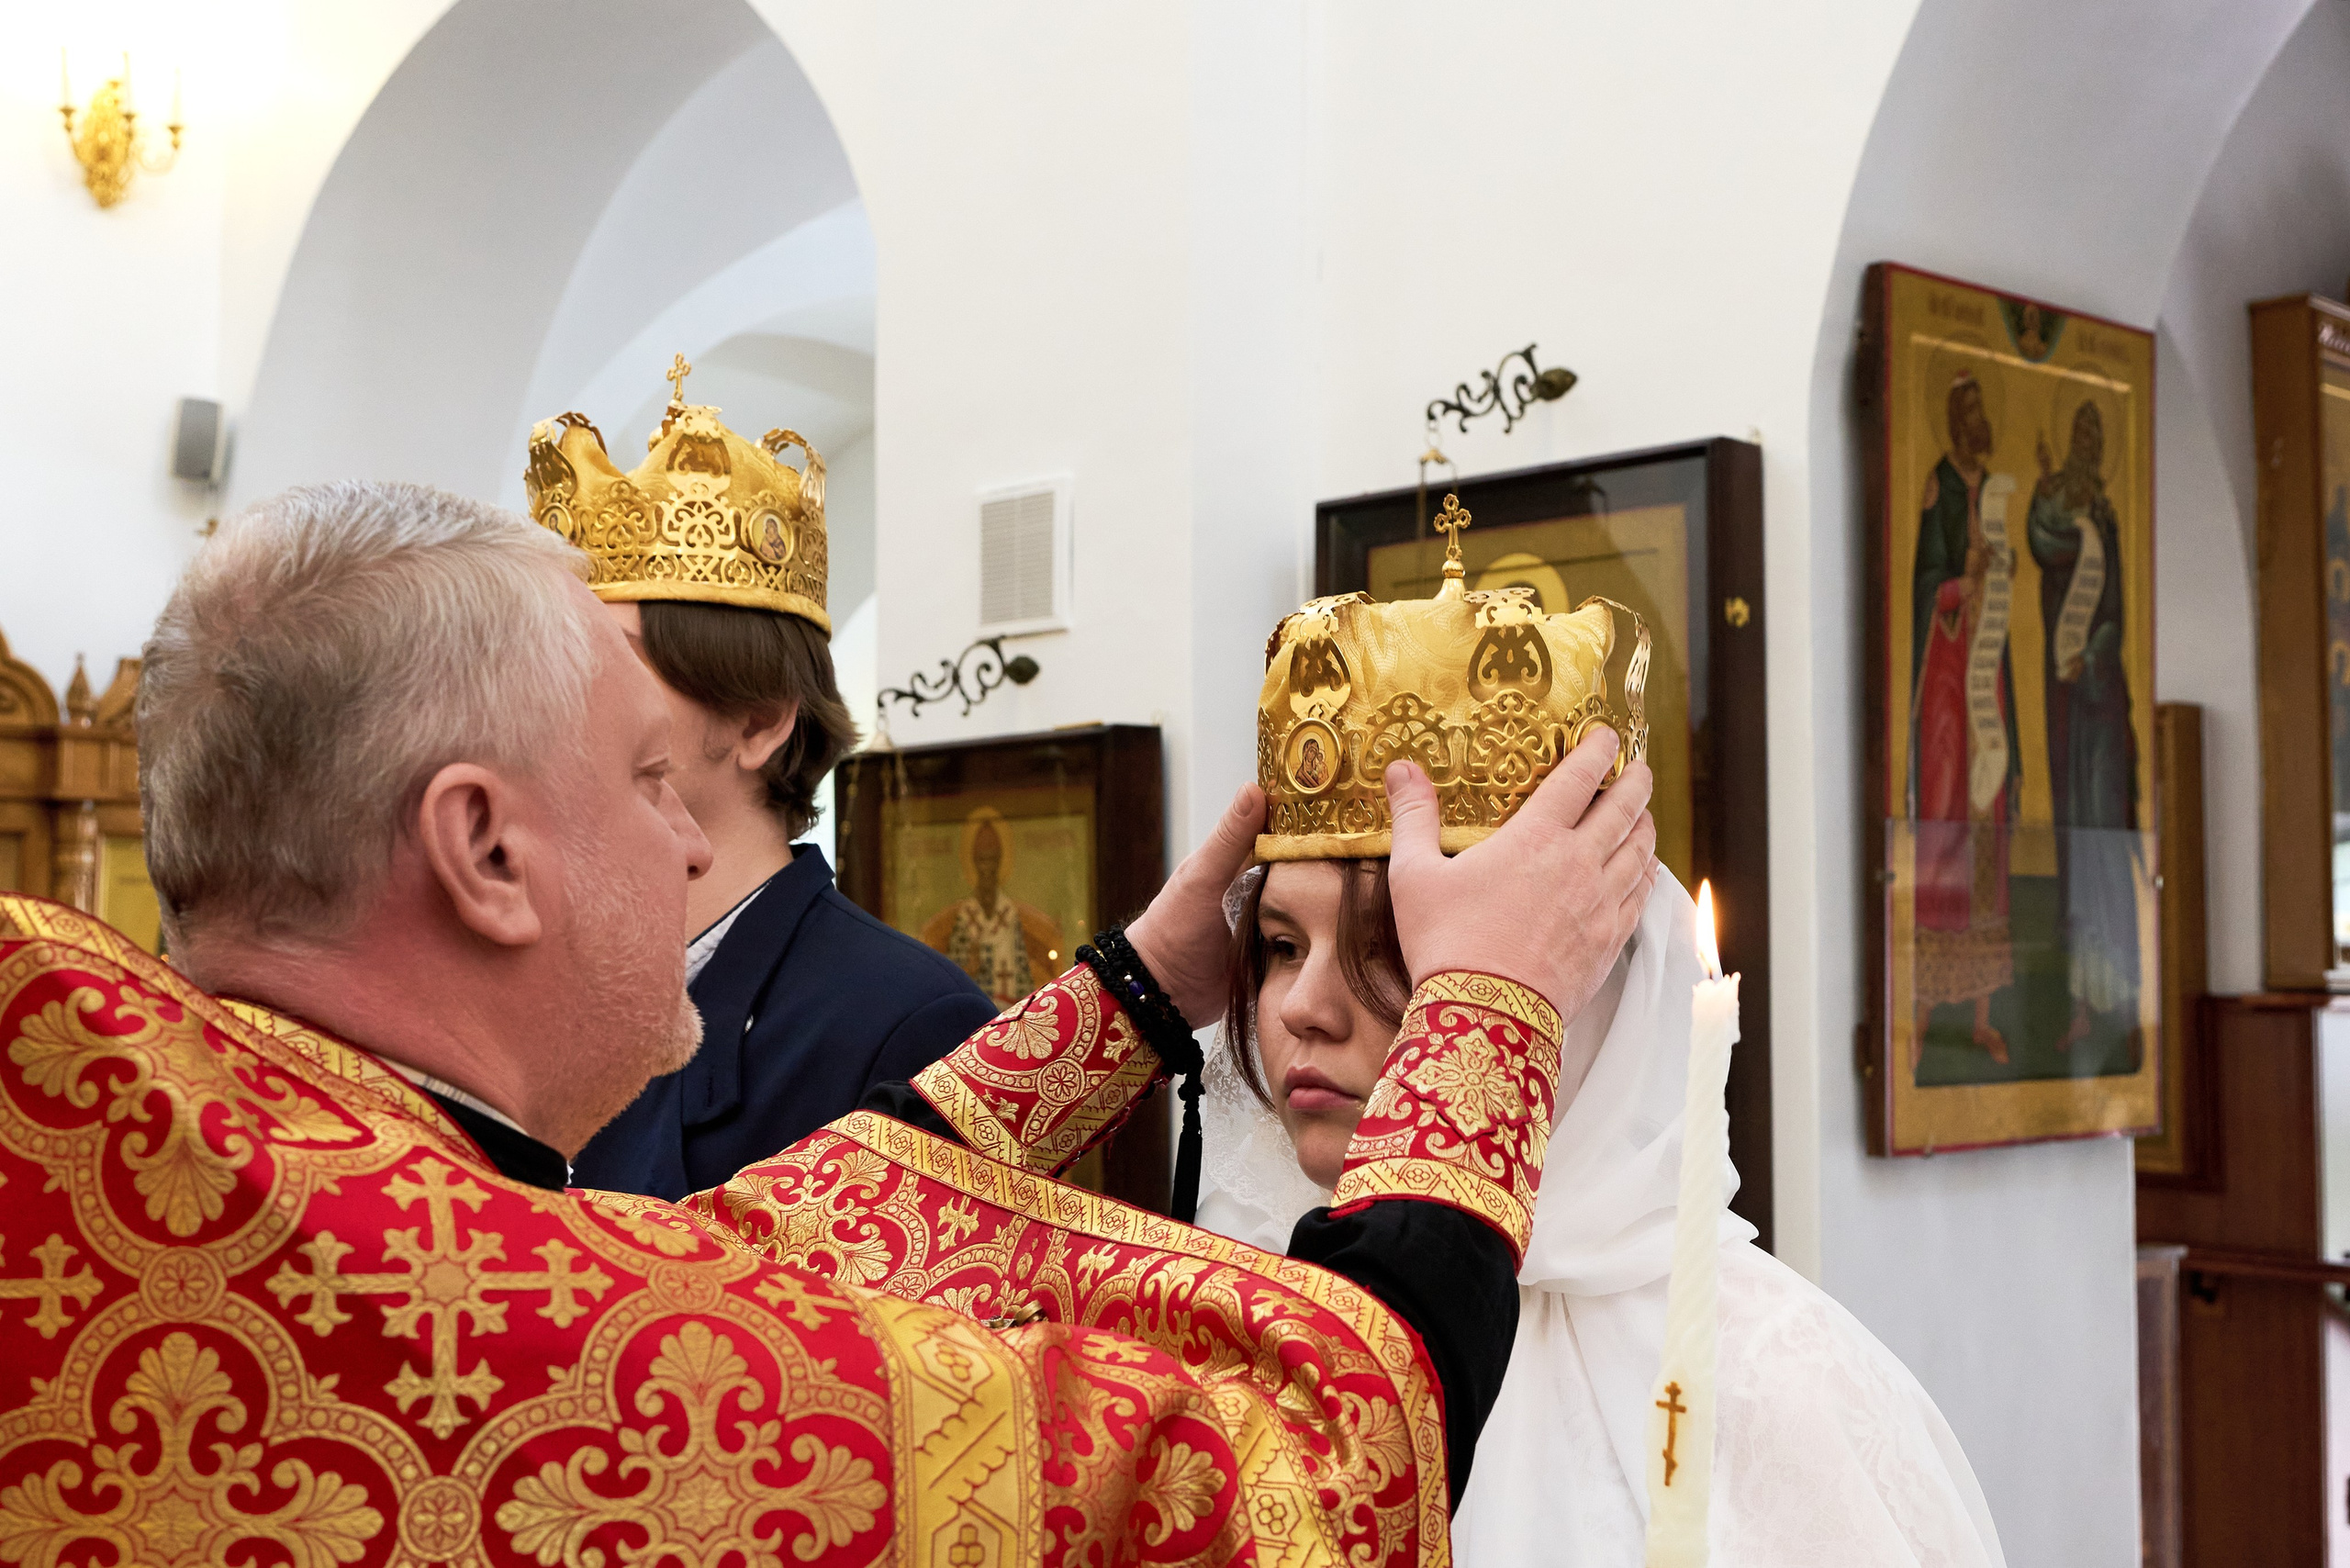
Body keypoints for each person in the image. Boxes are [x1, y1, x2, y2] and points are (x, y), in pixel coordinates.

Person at [0, 479, 1648, 1562]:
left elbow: (749, 1246)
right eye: (649, 779)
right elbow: (1314, 1466)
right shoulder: (535, 1345)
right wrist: (1493, 1006)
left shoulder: (151, 1154)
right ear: (486, 851)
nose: (688, 836)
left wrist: (1137, 993)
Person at [1200, 568, 2007, 1566]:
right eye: (1279, 945)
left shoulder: (1769, 1379)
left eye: (1400, 954)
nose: (1298, 1008)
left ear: (1578, 982)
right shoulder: (1252, 1325)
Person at [527, 365, 998, 1202]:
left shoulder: (904, 1021)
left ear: (759, 721)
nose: (565, 700)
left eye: (619, 665)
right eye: (562, 660)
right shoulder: (541, 976)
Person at [1908, 370, 2020, 1063]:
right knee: (1944, 824)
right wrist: (1960, 581)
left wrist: (1996, 572)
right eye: (1970, 413)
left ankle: (1981, 1015)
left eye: (1984, 411)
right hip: (1948, 681)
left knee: (1989, 833)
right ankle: (1921, 1016)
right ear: (1955, 421)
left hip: (1989, 683)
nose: (1979, 423)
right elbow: (1924, 582)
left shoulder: (2000, 492)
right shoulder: (1940, 489)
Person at [2027, 399, 2142, 1051]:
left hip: (2100, 701)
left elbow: (2116, 608)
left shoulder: (2104, 515)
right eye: (2084, 433)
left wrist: (2095, 657)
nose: (2091, 444)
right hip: (2070, 707)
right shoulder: (2064, 504)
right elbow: (2044, 542)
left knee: (2104, 834)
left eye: (2097, 437)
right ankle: (2078, 1001)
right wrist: (2045, 498)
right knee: (2077, 840)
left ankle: (2117, 997)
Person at [918, 807, 1063, 1005]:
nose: (987, 868)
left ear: (1002, 859)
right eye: (981, 859)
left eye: (993, 859)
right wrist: (969, 968)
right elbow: (941, 984)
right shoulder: (951, 925)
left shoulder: (1025, 923)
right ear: (971, 860)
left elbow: (1040, 982)